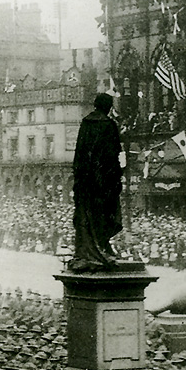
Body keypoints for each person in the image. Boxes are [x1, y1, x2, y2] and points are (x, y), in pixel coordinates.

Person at [70, 92, 123, 272]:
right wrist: (115, 176)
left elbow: (79, 153)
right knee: (105, 214)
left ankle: (88, 251)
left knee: (86, 216)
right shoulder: (109, 125)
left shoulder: (86, 123)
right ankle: (101, 247)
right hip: (104, 180)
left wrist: (79, 178)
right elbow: (113, 154)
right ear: (107, 106)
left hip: (85, 181)